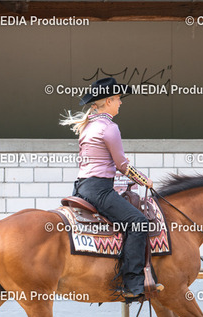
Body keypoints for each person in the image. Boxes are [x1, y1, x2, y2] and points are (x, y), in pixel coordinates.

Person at [60, 77, 163, 300]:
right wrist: (145, 180)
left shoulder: (88, 126)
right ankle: (133, 282)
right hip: (99, 190)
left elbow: (104, 162)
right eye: (118, 99)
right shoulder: (109, 128)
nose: (120, 103)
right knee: (138, 222)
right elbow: (122, 165)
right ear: (108, 101)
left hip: (82, 187)